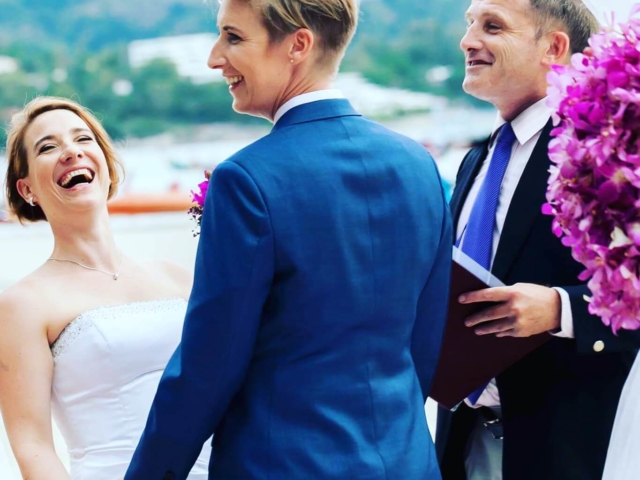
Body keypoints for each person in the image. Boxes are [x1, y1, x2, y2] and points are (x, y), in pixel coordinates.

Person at [124, 0, 452, 478]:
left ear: (297, 44)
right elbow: (424, 343)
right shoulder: (419, 165)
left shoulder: (246, 179)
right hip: (407, 461)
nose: (215, 57)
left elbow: (209, 365)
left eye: (233, 37)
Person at [434, 1, 640, 479]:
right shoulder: (475, 161)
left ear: (554, 47)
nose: (467, 41)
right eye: (468, 25)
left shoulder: (607, 151)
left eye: (492, 26)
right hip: (462, 442)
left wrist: (560, 309)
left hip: (566, 449)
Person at [0, 96, 211, 480]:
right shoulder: (23, 304)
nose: (71, 152)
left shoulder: (177, 277)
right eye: (48, 147)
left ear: (106, 164)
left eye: (83, 139)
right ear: (27, 189)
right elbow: (32, 448)